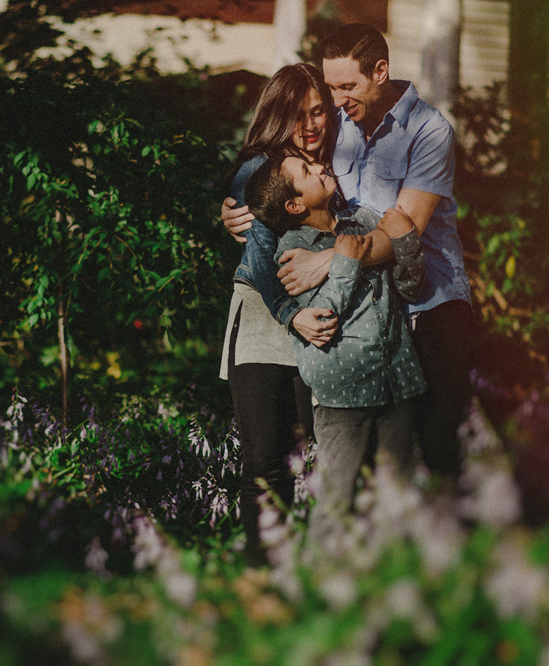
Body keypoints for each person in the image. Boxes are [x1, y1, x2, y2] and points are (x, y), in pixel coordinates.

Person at [222, 24, 472, 484]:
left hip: (429, 301)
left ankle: (448, 547)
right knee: (363, 456)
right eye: (330, 88)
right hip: (365, 310)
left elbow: (406, 228)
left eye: (344, 88)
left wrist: (331, 260)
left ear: (380, 72)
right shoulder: (339, 131)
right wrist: (241, 208)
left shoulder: (429, 131)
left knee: (436, 452)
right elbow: (281, 202)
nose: (334, 104)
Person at [245, 152, 426, 544]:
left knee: (399, 499)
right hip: (344, 397)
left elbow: (410, 290)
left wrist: (404, 242)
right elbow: (319, 322)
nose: (321, 167)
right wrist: (343, 264)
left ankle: (394, 588)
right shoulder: (290, 252)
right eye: (307, 172)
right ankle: (321, 586)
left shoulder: (362, 223)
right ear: (294, 204)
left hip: (397, 382)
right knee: (336, 503)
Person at [218, 64, 338, 565]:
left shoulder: (328, 166)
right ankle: (261, 579)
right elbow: (259, 256)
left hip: (318, 324)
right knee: (266, 462)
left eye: (318, 112)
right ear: (276, 116)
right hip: (267, 326)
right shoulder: (262, 168)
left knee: (311, 457)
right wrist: (292, 316)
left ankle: (303, 574)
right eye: (297, 115)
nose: (310, 125)